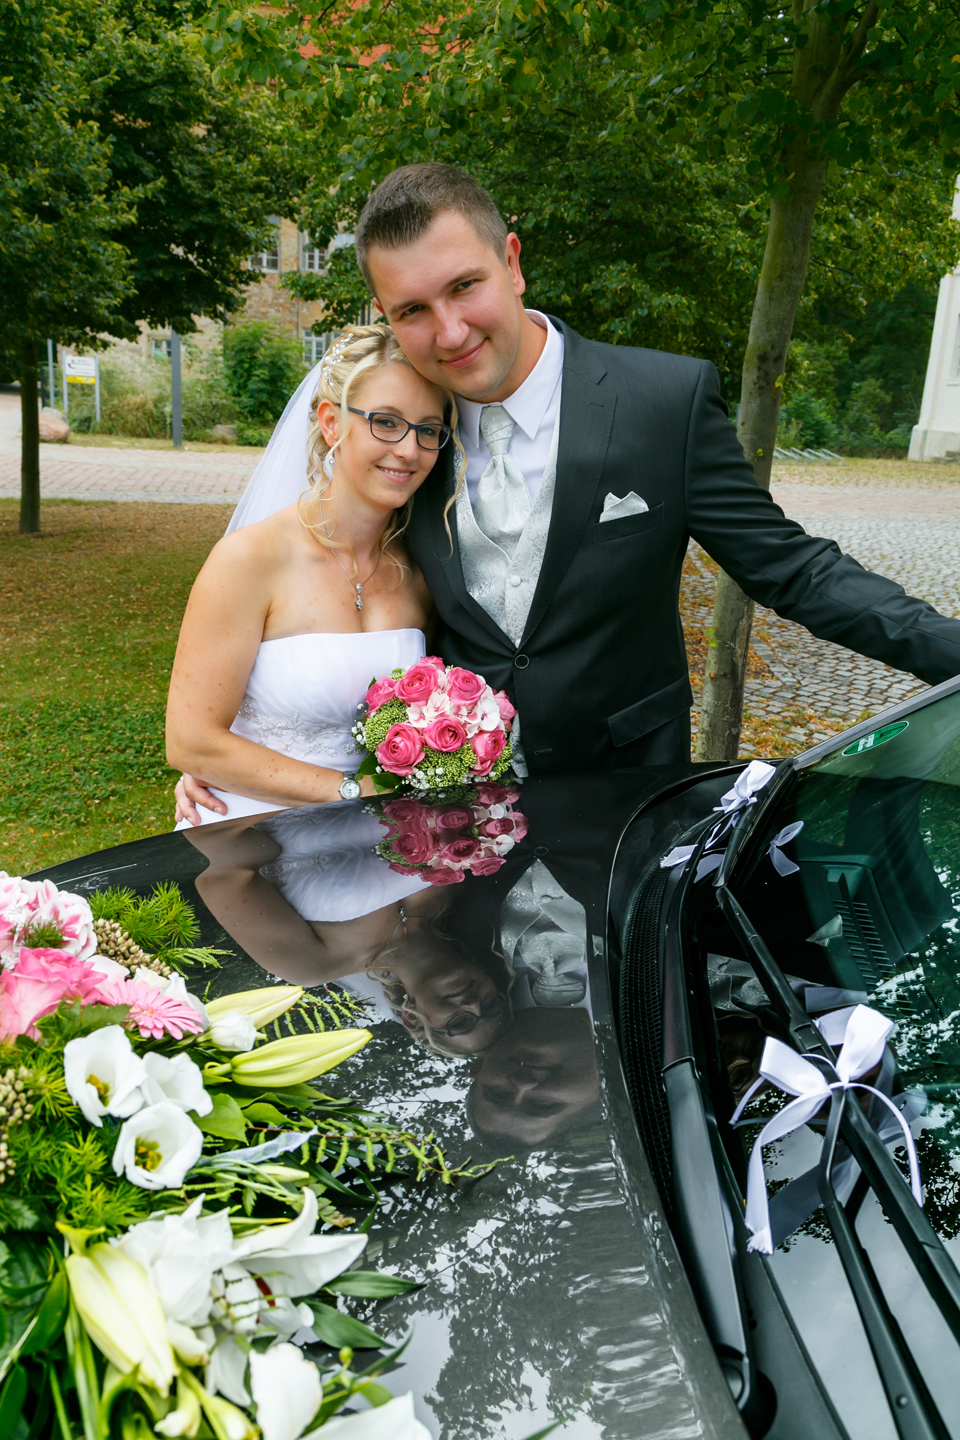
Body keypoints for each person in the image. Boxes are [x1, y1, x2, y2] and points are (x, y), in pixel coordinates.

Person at [179, 161, 960, 817]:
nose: (449, 332)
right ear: (385, 313)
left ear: (512, 262)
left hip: (629, 795)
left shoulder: (665, 401)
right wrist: (244, 759)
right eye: (413, 310)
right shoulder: (407, 441)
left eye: (466, 287)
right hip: (459, 821)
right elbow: (347, 607)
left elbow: (795, 569)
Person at [168, 325, 460, 825]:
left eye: (428, 429)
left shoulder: (422, 573)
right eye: (386, 422)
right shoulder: (249, 560)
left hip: (386, 838)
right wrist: (352, 791)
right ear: (330, 423)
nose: (410, 450)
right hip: (250, 832)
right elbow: (191, 740)